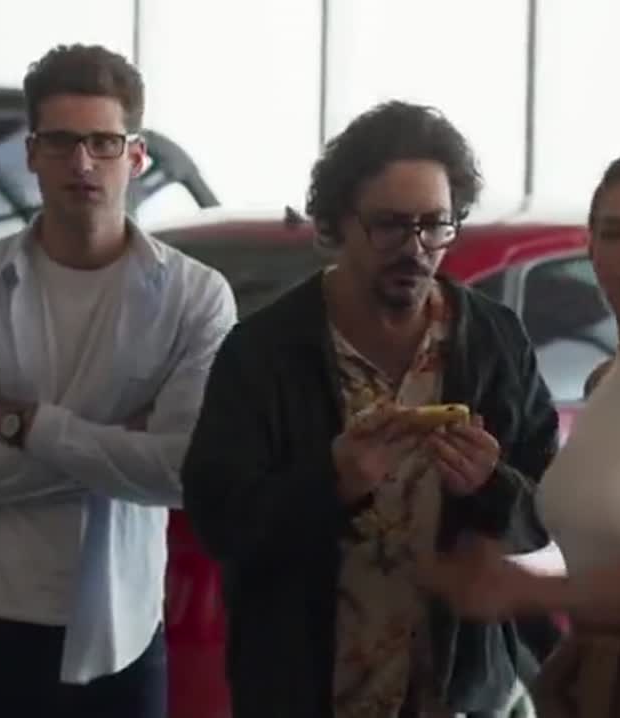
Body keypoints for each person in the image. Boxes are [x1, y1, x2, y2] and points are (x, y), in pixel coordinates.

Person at [180, 101, 558, 718]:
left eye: (434, 225)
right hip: (304, 696)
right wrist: (332, 482)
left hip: (457, 699)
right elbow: (219, 523)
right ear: (335, 223)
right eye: (389, 225)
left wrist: (492, 486)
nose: (415, 248)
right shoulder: (264, 352)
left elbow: (546, 518)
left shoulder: (493, 341)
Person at [0, 44, 235, 718]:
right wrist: (124, 447)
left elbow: (182, 473)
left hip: (120, 632)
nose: (82, 163)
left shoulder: (195, 297)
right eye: (60, 142)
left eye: (103, 143)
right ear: (32, 153)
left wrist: (29, 424)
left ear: (134, 156)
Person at [425, 153, 620, 718]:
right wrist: (490, 484)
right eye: (614, 233)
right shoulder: (604, 380)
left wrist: (532, 591)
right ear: (592, 252)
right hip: (589, 683)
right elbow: (600, 543)